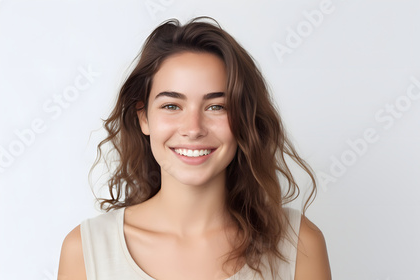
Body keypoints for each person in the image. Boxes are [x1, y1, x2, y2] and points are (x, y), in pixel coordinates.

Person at [58, 17, 331, 280]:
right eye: (171, 106)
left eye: (216, 107)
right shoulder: (85, 250)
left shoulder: (299, 244)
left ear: (244, 119)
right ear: (143, 117)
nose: (194, 128)